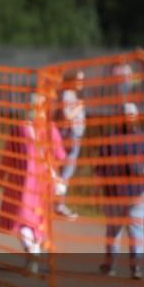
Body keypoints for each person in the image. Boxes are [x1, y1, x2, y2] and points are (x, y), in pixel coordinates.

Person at [0, 93, 67, 272]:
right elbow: (61, 156)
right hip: (38, 184)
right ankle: (33, 254)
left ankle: (32, 254)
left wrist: (1, 173)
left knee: (23, 222)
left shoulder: (23, 128)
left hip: (25, 184)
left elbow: (8, 155)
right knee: (33, 221)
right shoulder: (46, 129)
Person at [97, 103, 144, 280]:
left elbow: (100, 169)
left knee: (118, 229)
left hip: (125, 193)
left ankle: (114, 265)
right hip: (132, 192)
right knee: (131, 229)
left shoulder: (112, 138)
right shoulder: (142, 138)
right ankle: (131, 266)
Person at [53, 69, 86, 220]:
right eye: (78, 79)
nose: (81, 83)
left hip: (74, 136)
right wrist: (79, 106)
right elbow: (67, 116)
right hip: (70, 136)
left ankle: (58, 203)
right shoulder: (67, 94)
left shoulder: (71, 95)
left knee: (65, 173)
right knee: (65, 173)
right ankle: (59, 205)